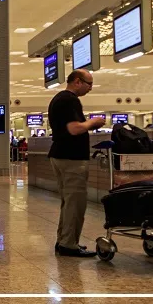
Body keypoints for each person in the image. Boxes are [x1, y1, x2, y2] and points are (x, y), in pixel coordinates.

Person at [48, 69, 106, 258]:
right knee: (75, 203)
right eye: (89, 83)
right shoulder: (69, 100)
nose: (91, 88)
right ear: (77, 81)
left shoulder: (59, 99)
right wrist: (93, 122)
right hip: (71, 159)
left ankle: (63, 240)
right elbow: (74, 129)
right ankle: (68, 245)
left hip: (60, 155)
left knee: (68, 202)